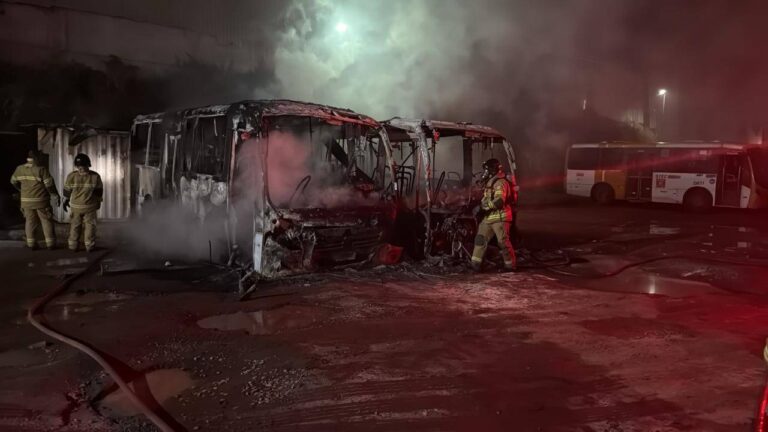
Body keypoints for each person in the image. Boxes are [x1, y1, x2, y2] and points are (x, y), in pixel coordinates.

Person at [470, 158, 517, 272]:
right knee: (480, 239)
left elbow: (499, 201)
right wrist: (479, 206)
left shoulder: (500, 182)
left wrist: (483, 208)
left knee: (503, 242)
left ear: (492, 170)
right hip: (489, 218)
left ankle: (510, 266)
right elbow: (487, 198)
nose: (484, 173)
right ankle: (475, 265)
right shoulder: (490, 182)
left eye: (486, 170)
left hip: (500, 218)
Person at [10, 150, 60, 249]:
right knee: (46, 221)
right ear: (36, 158)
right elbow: (49, 185)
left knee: (30, 222)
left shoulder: (19, 169)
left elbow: (13, 181)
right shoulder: (41, 169)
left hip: (26, 202)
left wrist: (20, 189)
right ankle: (50, 244)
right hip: (41, 201)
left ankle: (31, 244)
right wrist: (55, 195)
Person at [63, 153, 103, 252]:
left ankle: (73, 246)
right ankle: (89, 246)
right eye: (79, 167)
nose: (80, 168)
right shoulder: (95, 176)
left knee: (75, 225)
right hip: (90, 207)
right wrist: (98, 202)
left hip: (76, 207)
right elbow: (99, 192)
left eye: (80, 166)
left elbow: (67, 191)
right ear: (88, 164)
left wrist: (66, 200)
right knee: (90, 226)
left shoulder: (71, 176)